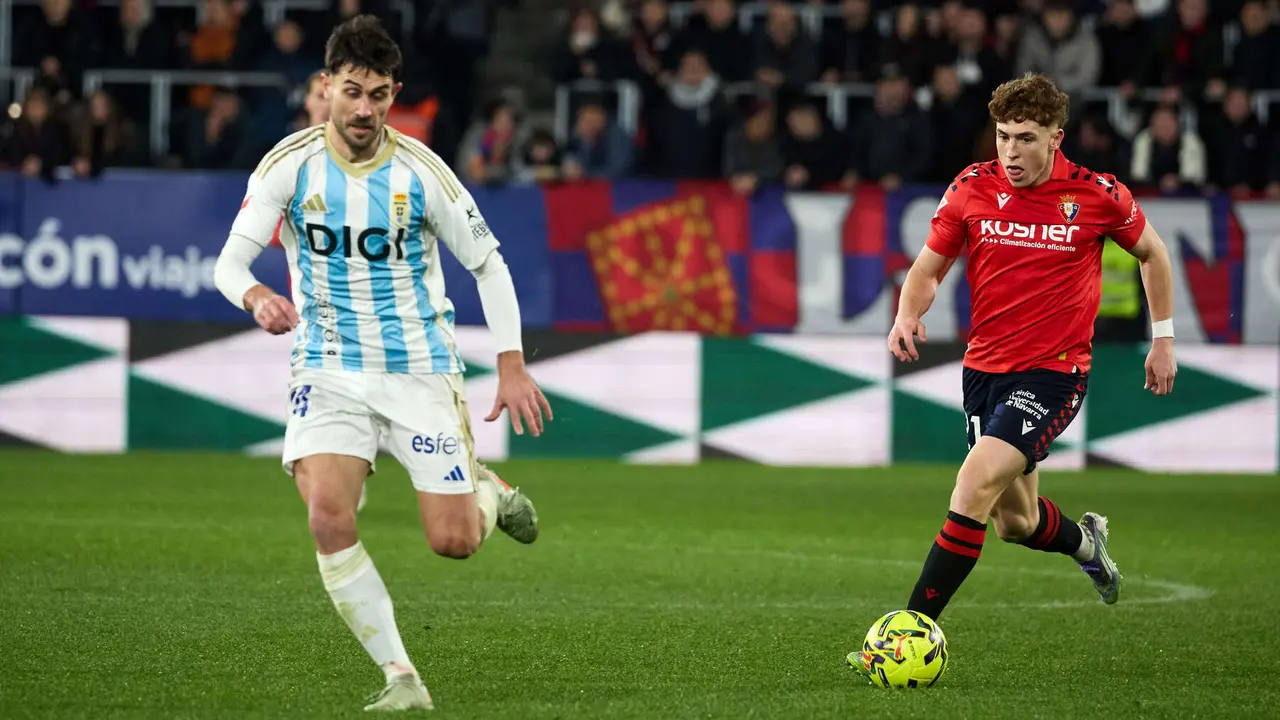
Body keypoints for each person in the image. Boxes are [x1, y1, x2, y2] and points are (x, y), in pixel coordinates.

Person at [212, 15, 553, 711]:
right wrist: (253, 295)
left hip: (418, 369)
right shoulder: (288, 165)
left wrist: (512, 363)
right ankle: (402, 678)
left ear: (394, 94)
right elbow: (230, 260)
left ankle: (487, 493)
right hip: (326, 367)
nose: (364, 109)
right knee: (328, 517)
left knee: (452, 543)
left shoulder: (422, 172)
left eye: (377, 95)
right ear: (325, 87)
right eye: (351, 91)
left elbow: (488, 265)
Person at [860, 72, 1177, 669]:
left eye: (1026, 138)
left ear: (1056, 137)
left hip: (1054, 373)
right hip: (984, 371)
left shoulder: (1097, 194)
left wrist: (1162, 340)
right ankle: (1087, 543)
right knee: (1015, 521)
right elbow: (928, 269)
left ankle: (908, 632)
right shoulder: (971, 188)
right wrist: (906, 315)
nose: (1010, 152)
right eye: (1003, 136)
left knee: (973, 483)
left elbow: (1152, 253)